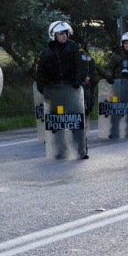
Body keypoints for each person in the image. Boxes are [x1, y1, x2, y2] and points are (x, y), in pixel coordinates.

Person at [35, 21, 90, 158]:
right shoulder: (45, 53)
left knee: (75, 121)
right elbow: (40, 74)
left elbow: (83, 66)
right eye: (60, 33)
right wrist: (44, 90)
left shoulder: (75, 48)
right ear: (53, 35)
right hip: (54, 91)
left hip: (71, 89)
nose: (64, 36)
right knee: (57, 121)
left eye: (65, 33)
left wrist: (78, 81)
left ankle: (80, 149)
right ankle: (59, 150)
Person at [105, 32, 128, 137]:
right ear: (122, 44)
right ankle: (114, 129)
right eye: (126, 43)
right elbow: (110, 67)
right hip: (118, 85)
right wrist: (109, 76)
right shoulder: (116, 55)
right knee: (116, 107)